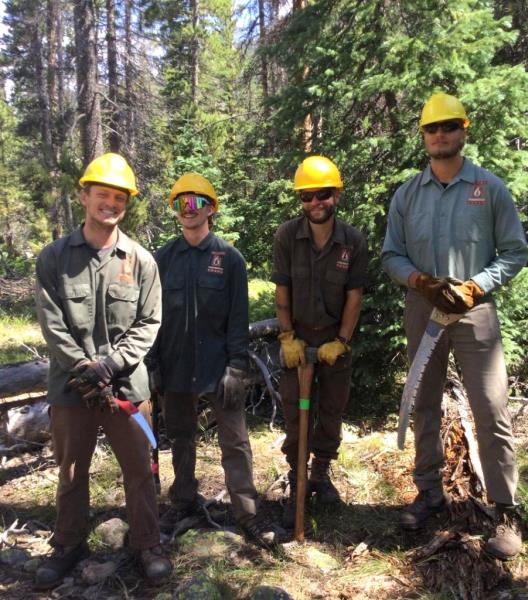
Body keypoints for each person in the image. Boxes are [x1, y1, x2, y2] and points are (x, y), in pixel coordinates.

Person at [382, 92, 528, 560]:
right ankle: (429, 494)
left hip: (474, 311)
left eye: (448, 126)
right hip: (423, 309)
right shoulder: (408, 194)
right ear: (423, 136)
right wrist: (418, 279)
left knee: (491, 408)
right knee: (423, 405)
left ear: (464, 129)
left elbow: (514, 251)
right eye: (432, 128)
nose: (440, 134)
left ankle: (504, 510)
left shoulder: (489, 189)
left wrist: (475, 286)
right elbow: (391, 255)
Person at [34, 153, 172, 589]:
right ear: (85, 196)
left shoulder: (142, 261)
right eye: (102, 195)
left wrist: (111, 364)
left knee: (141, 468)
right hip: (71, 389)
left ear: (126, 203)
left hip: (128, 387)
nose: (109, 204)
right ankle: (69, 543)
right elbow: (51, 322)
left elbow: (150, 322)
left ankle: (147, 543)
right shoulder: (54, 258)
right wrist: (82, 366)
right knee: (72, 471)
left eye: (119, 197)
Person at [147, 173, 284, 547]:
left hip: (220, 368)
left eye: (195, 203)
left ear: (211, 208)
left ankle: (246, 514)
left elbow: (238, 319)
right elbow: (153, 317)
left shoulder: (230, 260)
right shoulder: (162, 259)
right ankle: (185, 501)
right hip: (175, 367)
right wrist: (154, 363)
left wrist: (237, 367)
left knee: (235, 441)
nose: (187, 211)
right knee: (181, 436)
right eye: (180, 204)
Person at [271, 156, 369, 527]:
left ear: (336, 195)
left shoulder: (353, 242)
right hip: (296, 344)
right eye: (307, 196)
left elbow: (354, 296)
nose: (315, 203)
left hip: (333, 347)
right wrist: (287, 338)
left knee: (330, 413)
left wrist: (341, 341)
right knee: (296, 418)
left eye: (323, 195)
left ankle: (320, 475)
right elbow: (282, 291)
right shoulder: (286, 237)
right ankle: (297, 479)